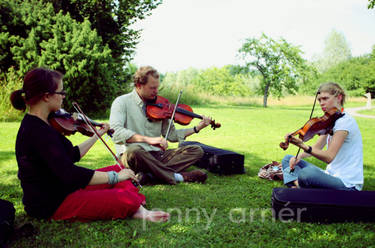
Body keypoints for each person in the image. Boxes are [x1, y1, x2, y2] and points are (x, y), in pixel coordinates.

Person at [10, 67, 169, 222]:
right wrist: (114, 178)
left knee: (120, 169)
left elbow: (72, 155)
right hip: (52, 202)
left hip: (64, 187)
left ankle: (134, 204)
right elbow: (71, 174)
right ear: (46, 96)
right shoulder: (37, 131)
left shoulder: (44, 123)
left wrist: (96, 135)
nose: (64, 96)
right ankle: (136, 208)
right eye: (61, 92)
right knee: (122, 191)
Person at [109, 66, 212, 185]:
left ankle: (149, 176)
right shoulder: (121, 102)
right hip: (133, 156)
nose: (156, 91)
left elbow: (172, 135)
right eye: (152, 88)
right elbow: (115, 132)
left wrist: (197, 128)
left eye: (157, 87)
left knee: (196, 150)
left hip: (157, 155)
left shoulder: (161, 104)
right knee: (134, 150)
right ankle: (178, 176)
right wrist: (149, 140)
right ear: (139, 85)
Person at [281, 82, 363, 190]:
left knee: (307, 173)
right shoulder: (331, 120)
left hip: (347, 183)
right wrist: (299, 157)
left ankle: (297, 186)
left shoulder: (345, 122)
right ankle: (300, 186)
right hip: (330, 175)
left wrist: (302, 145)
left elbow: (329, 157)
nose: (321, 103)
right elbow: (317, 148)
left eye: (325, 98)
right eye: (319, 100)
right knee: (288, 159)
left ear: (339, 97)